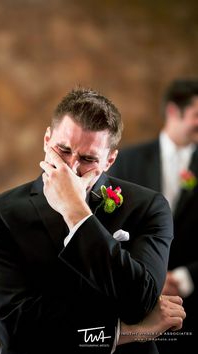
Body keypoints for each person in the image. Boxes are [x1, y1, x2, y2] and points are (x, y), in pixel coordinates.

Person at [0, 87, 185, 354]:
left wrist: (77, 213)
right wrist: (123, 331)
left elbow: (138, 302)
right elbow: (17, 331)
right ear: (47, 140)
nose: (70, 168)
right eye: (63, 149)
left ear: (109, 160)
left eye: (87, 159)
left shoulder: (148, 207)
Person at [108, 79, 198, 353]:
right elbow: (110, 226)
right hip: (138, 309)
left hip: (192, 304)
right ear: (174, 112)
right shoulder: (127, 161)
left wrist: (184, 278)